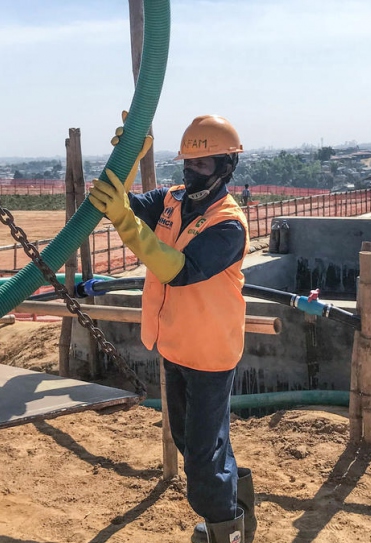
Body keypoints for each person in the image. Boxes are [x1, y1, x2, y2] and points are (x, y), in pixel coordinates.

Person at [88, 114, 256, 543]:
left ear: (225, 168)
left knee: (201, 459)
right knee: (190, 441)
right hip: (176, 344)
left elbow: (177, 270)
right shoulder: (174, 199)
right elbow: (119, 201)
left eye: (201, 165)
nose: (190, 171)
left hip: (211, 352)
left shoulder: (228, 224)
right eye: (187, 162)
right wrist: (127, 158)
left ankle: (225, 531)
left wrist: (127, 224)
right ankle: (237, 509)